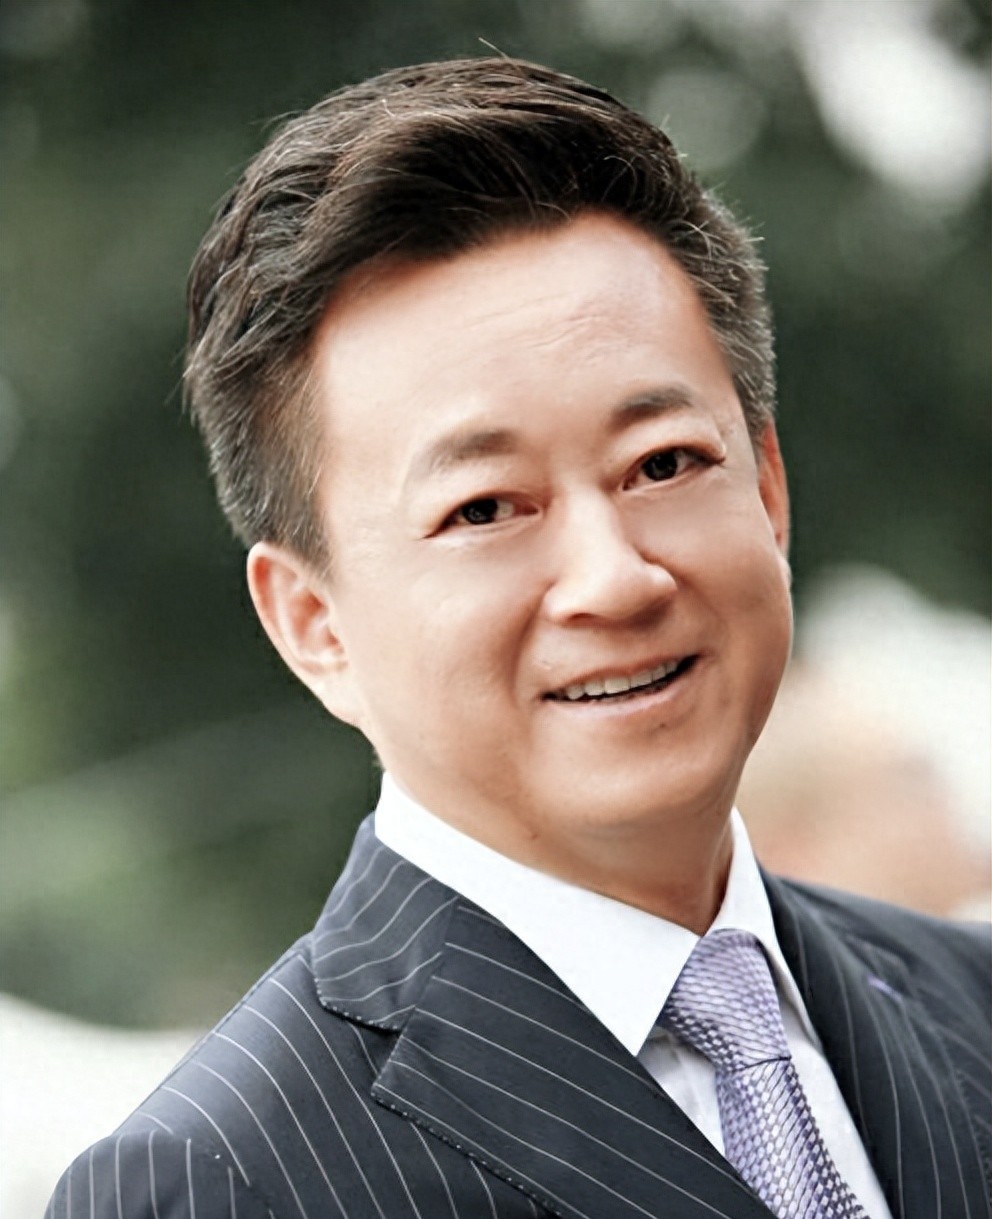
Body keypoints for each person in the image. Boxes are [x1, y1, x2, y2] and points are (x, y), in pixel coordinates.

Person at [46, 58, 989, 1219]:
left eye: (661, 463)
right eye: (484, 508)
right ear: (312, 622)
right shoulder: (220, 1184)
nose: (613, 577)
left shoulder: (970, 1003)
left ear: (767, 491)